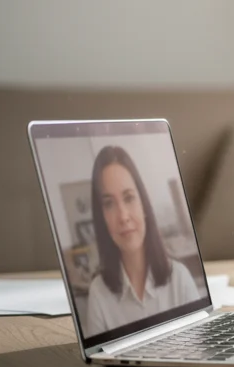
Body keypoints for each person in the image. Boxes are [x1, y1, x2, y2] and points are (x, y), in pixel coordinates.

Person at [84, 145, 200, 338]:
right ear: (102, 217)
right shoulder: (99, 292)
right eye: (109, 204)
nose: (123, 216)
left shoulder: (180, 279)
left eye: (129, 198)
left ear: (144, 205)